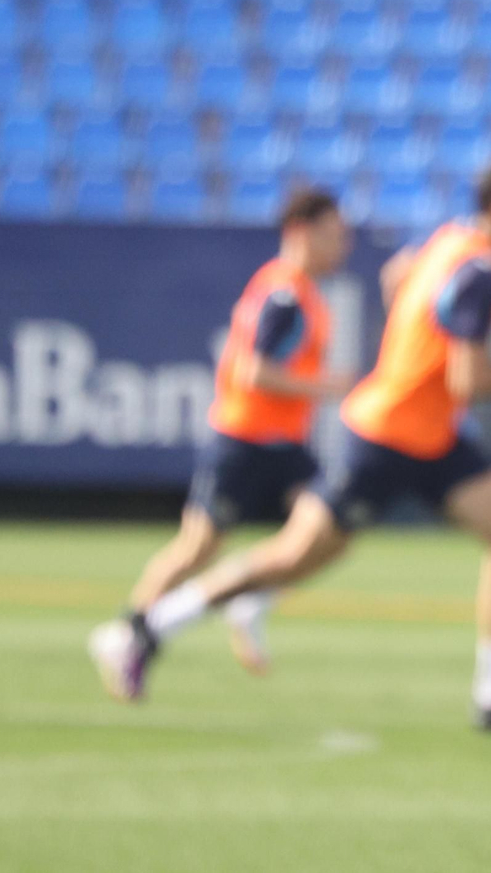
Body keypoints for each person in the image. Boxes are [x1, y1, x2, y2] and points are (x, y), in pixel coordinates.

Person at [93, 159, 491, 729]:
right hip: (387, 435)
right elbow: (468, 380)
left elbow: (397, 277)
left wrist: (416, 346)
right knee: (294, 553)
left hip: (429, 432)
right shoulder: (480, 271)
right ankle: (146, 629)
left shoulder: (449, 241)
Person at [91, 188, 352, 690]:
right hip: (244, 438)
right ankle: (127, 633)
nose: (342, 243)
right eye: (333, 232)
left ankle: (249, 599)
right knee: (197, 548)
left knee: (330, 536)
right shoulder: (283, 294)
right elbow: (254, 372)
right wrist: (326, 385)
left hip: (285, 444)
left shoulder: (302, 292)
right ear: (302, 232)